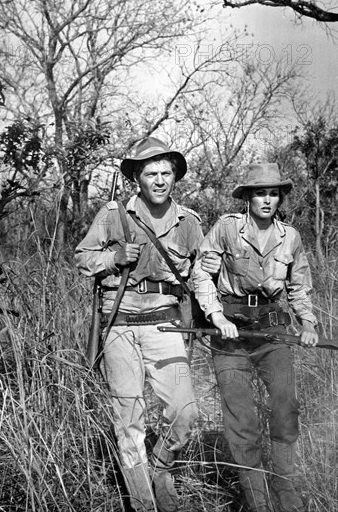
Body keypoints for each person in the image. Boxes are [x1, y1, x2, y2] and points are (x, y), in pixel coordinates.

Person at [75, 137, 219, 512]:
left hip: (165, 322)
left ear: (175, 177)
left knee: (184, 412)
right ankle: (142, 503)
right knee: (128, 418)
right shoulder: (112, 215)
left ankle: (161, 466)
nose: (159, 180)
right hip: (120, 323)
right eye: (151, 173)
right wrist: (114, 256)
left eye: (166, 173)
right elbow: (81, 258)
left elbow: (201, 273)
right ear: (137, 178)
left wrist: (212, 305)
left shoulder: (189, 222)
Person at [192, 163, 319, 512]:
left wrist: (307, 324)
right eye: (260, 192)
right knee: (241, 420)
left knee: (285, 407)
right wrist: (215, 315)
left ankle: (285, 483)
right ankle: (257, 499)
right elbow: (201, 274)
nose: (267, 199)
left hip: (272, 331)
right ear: (247, 196)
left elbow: (298, 286)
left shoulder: (289, 236)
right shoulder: (227, 228)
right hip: (230, 332)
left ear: (280, 198)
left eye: (273, 193)